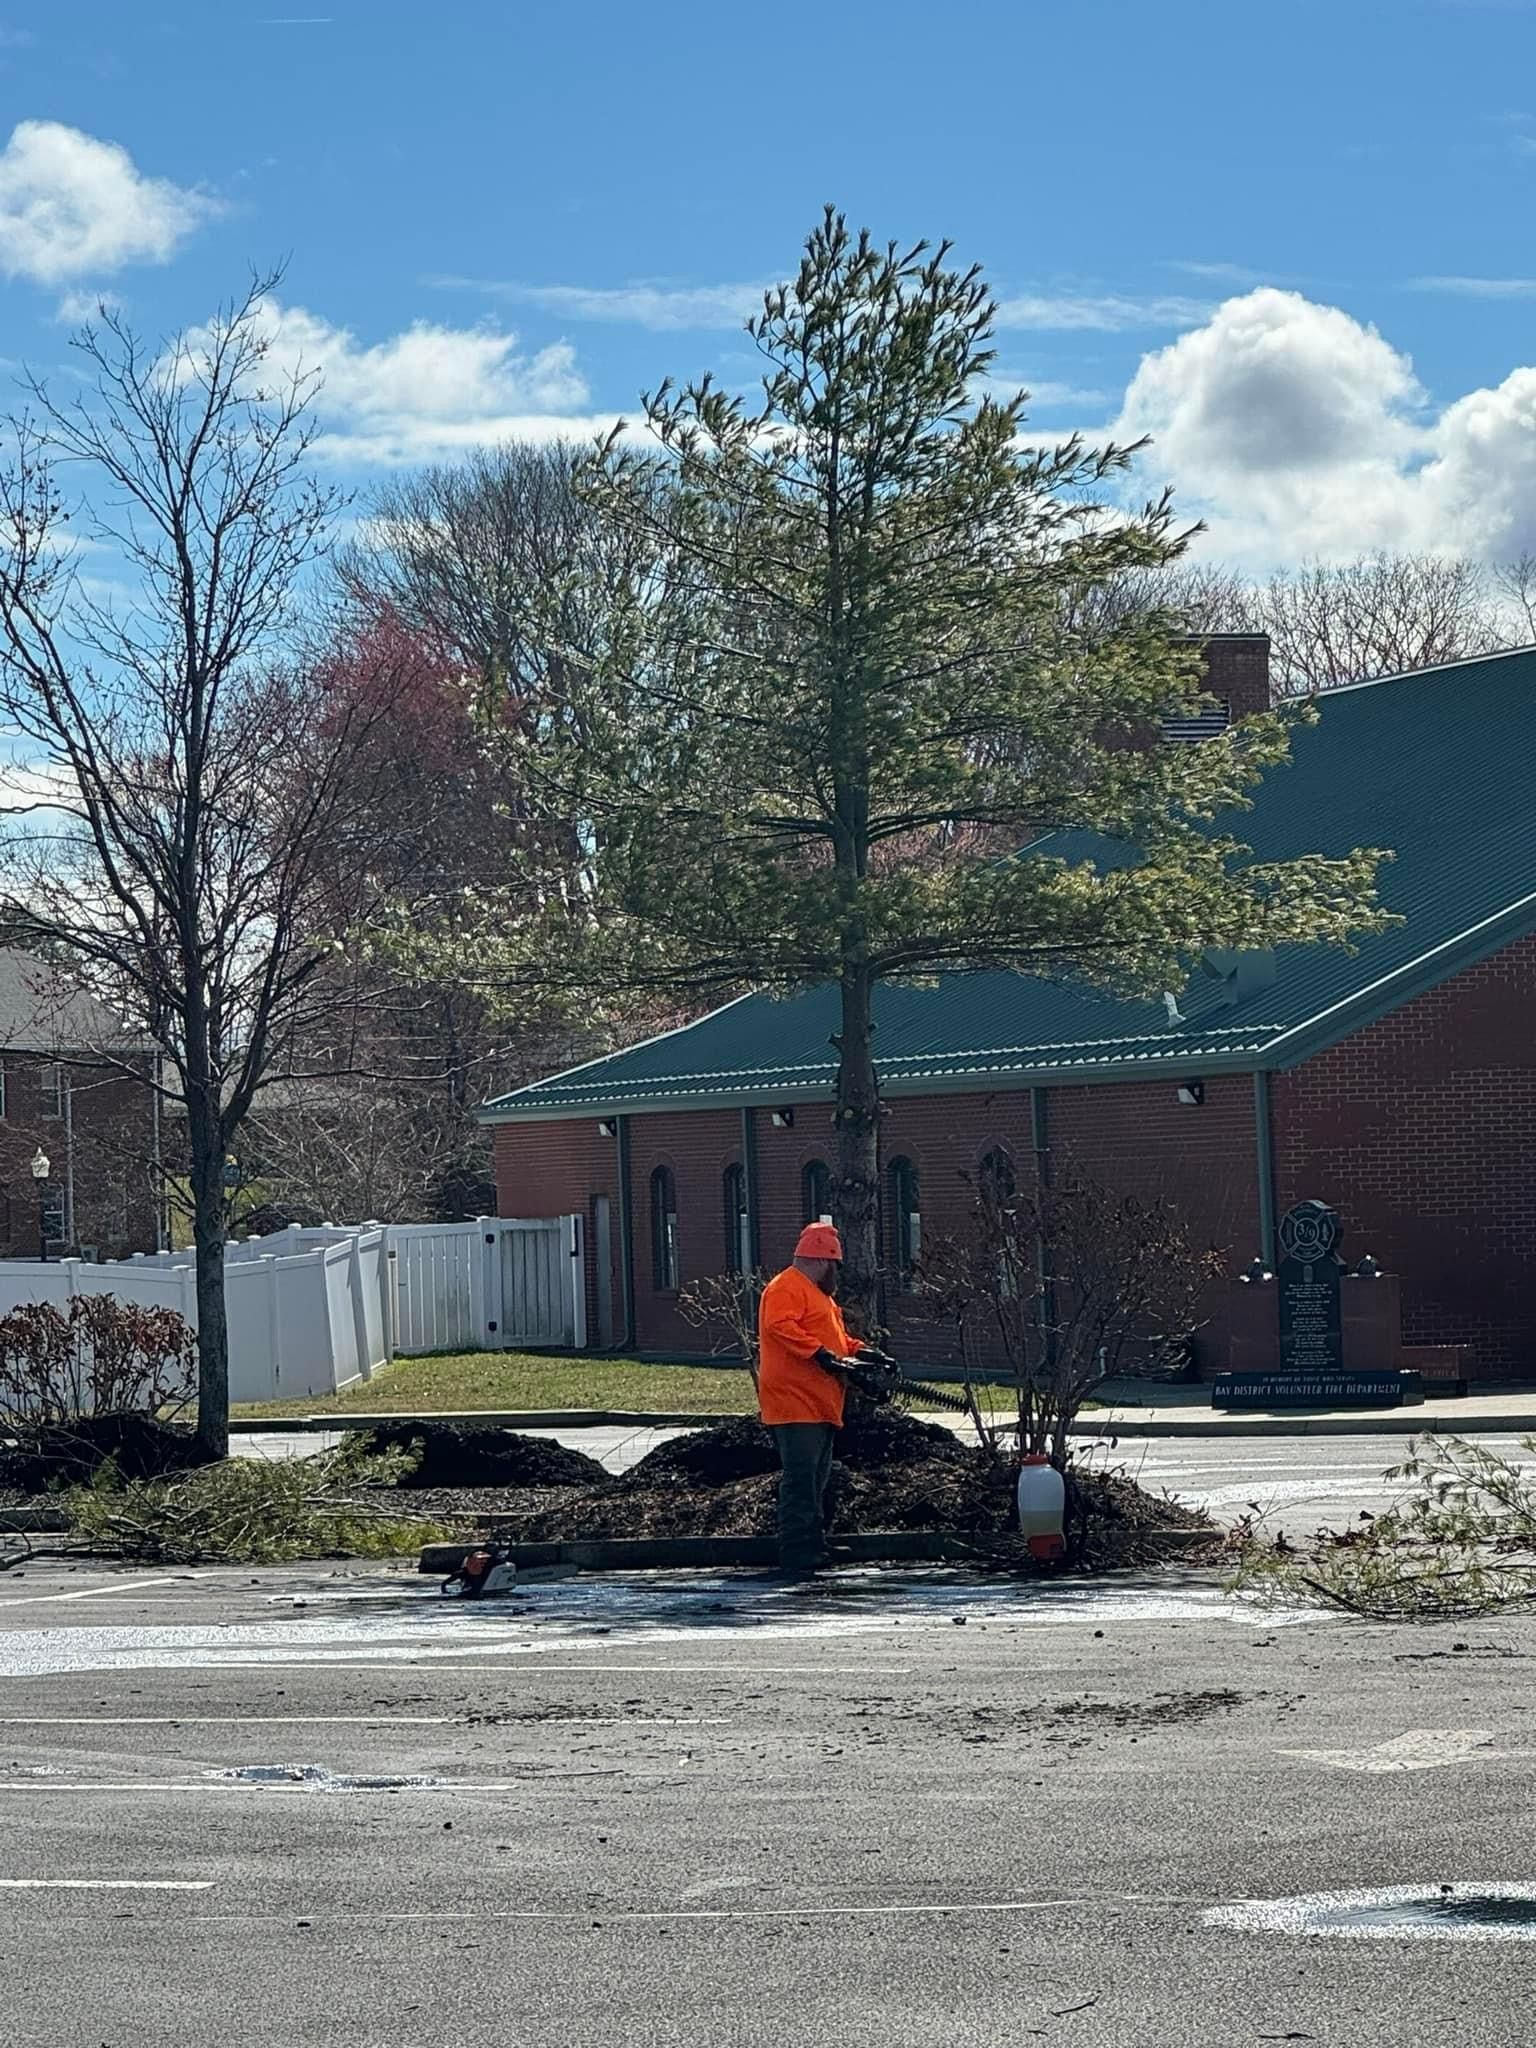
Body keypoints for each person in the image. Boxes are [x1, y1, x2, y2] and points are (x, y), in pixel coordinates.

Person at [757, 1222, 862, 1578]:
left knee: (815, 1478)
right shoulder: (787, 1287)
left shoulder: (819, 1296)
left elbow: (837, 1341)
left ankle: (814, 1544)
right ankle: (798, 1550)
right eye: (836, 1267)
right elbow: (779, 1327)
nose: (836, 1275)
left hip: (818, 1403)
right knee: (802, 1479)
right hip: (794, 1400)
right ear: (824, 1260)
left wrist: (864, 1354)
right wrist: (819, 1354)